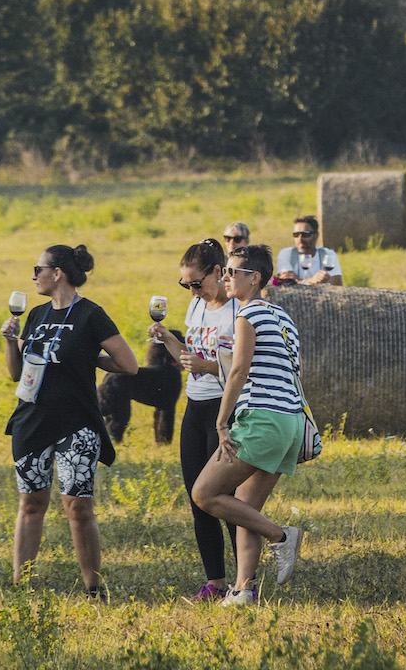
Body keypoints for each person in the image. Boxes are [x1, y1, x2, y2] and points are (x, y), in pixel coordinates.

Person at [0, 244, 139, 596]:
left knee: (77, 505)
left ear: (57, 273)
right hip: (31, 420)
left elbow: (129, 364)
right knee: (31, 503)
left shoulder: (91, 315)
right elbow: (17, 373)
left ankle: (94, 588)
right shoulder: (36, 315)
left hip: (77, 423)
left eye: (38, 269)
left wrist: (90, 359)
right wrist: (9, 341)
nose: (33, 276)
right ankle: (21, 586)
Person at [188, 243, 306, 604]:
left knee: (205, 494)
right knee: (245, 509)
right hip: (290, 424)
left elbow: (237, 371)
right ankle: (243, 590)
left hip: (261, 420)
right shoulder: (283, 318)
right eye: (224, 272)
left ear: (254, 278)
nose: (225, 278)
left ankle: (281, 536)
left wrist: (222, 423)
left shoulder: (248, 314)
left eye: (232, 273)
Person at [148, 237, 241, 602]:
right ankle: (215, 582)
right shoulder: (196, 309)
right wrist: (167, 341)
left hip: (225, 408)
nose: (191, 291)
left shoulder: (237, 311)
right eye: (184, 285)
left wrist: (206, 366)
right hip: (195, 406)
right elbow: (189, 355)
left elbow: (241, 369)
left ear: (218, 272)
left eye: (196, 283)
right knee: (197, 498)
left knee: (226, 498)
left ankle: (243, 580)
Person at [273, 215, 342, 286]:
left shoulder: (328, 254)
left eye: (305, 234)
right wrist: (313, 280)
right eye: (296, 235)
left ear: (316, 235)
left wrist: (298, 281)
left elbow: (337, 286)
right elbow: (286, 284)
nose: (300, 239)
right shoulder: (287, 254)